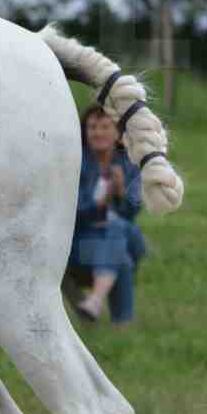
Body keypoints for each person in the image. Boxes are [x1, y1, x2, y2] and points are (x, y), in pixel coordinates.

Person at [69, 105, 147, 323]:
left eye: (105, 126)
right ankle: (121, 324)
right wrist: (99, 205)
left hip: (129, 239)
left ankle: (95, 300)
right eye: (92, 127)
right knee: (121, 258)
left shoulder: (129, 164)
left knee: (118, 227)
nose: (98, 132)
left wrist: (121, 193)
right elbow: (71, 216)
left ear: (118, 133)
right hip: (83, 244)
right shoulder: (75, 163)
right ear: (84, 132)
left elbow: (133, 211)